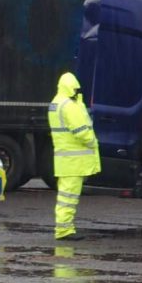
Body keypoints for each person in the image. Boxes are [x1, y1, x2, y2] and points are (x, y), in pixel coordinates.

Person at [48, 72, 100, 241]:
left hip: (65, 160)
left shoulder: (56, 103)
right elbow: (81, 131)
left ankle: (64, 228)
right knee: (68, 197)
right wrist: (93, 141)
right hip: (74, 161)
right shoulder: (69, 105)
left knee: (65, 196)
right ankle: (64, 230)